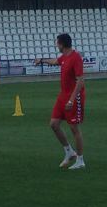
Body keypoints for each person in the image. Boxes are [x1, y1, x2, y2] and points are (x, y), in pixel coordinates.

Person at [34, 33, 86, 170]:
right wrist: (42, 60)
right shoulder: (64, 57)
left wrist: (71, 100)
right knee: (54, 124)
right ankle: (69, 151)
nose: (56, 45)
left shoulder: (76, 58)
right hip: (63, 96)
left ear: (62, 44)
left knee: (74, 128)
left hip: (73, 97)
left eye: (57, 43)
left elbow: (80, 81)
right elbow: (55, 61)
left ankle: (80, 160)